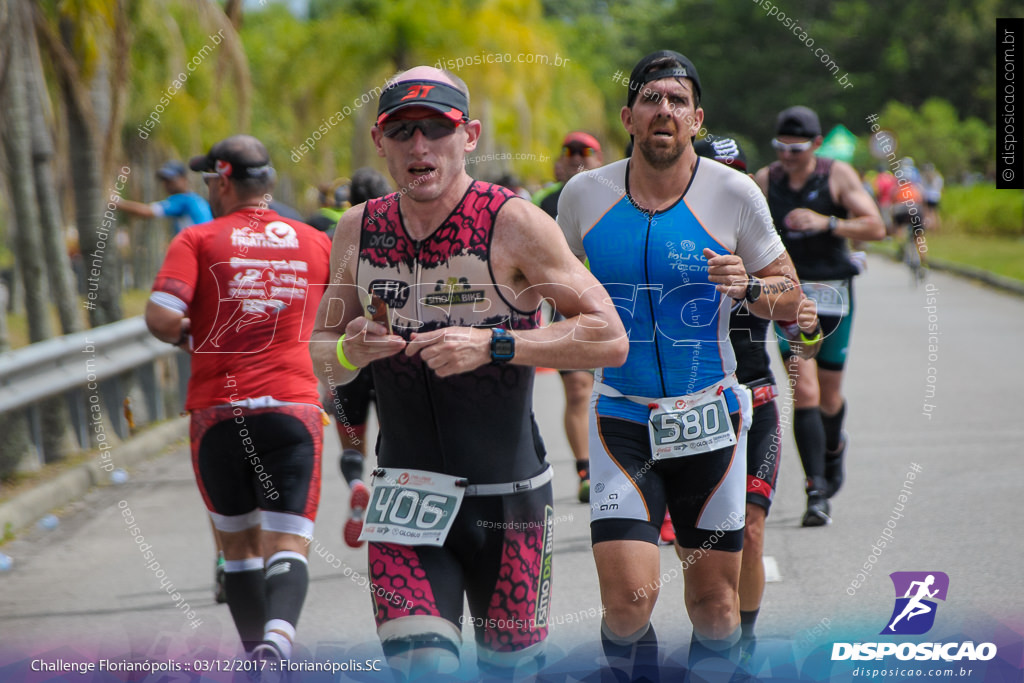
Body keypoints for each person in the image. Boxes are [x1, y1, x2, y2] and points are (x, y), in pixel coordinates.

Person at [309, 66, 627, 679]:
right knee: (420, 665)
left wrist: (496, 345)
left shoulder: (514, 223)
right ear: (380, 142)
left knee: (513, 670)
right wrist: (350, 351)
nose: (419, 146)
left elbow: (608, 335)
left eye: (436, 129)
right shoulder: (359, 229)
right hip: (404, 501)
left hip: (509, 506)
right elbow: (322, 350)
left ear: (470, 135)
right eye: (401, 131)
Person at [558, 51, 803, 680]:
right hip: (621, 417)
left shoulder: (734, 192)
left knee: (715, 607)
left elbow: (792, 299)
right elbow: (544, 289)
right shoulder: (585, 195)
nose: (663, 109)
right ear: (628, 117)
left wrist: (748, 286)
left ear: (697, 118)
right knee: (628, 602)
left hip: (710, 419)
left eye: (676, 99)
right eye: (650, 98)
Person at [144, 135, 331, 666]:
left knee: (239, 549)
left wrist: (192, 332)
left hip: (218, 416)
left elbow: (160, 317)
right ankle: (277, 641)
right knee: (288, 543)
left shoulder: (197, 240)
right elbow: (339, 317)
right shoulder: (314, 241)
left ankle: (256, 655)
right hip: (292, 410)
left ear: (223, 181)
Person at [692, 135, 822, 656]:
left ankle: (744, 644)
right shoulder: (670, 242)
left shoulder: (763, 247)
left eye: (740, 174)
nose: (733, 184)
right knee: (700, 547)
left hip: (755, 401)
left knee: (752, 524)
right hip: (689, 408)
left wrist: (807, 328)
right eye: (719, 173)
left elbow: (804, 339)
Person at [754, 106, 885, 526]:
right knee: (804, 391)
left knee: (829, 396)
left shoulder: (837, 175)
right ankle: (816, 492)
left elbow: (875, 226)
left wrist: (826, 223)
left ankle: (833, 451)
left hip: (833, 294)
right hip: (789, 297)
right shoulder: (764, 180)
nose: (788, 156)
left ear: (815, 145)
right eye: (781, 148)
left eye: (796, 149)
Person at [321, 167, 393, 548]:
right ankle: (386, 509)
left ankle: (357, 485)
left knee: (351, 441)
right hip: (385, 350)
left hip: (346, 351)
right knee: (391, 438)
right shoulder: (399, 236)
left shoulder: (337, 235)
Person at [534, 131, 605, 503]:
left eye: (586, 152)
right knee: (578, 390)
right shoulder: (543, 204)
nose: (578, 158)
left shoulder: (617, 196)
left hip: (618, 303)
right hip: (568, 307)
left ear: (601, 159)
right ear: (558, 163)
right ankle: (586, 471)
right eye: (570, 152)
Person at [115, 160, 213, 235]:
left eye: (171, 179)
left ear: (184, 179)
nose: (167, 184)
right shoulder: (196, 199)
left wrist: (117, 202)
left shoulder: (183, 201)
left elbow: (147, 211)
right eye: (165, 180)